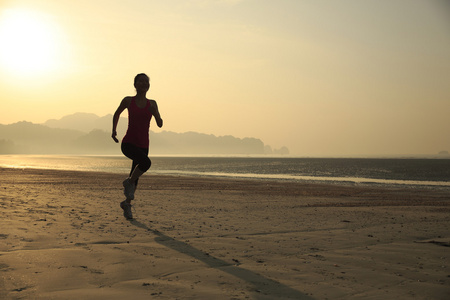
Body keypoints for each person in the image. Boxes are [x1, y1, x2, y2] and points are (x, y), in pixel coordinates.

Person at [112, 73, 163, 219]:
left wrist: (155, 114)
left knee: (135, 177)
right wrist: (114, 131)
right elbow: (116, 114)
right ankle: (128, 183)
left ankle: (127, 204)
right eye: (140, 81)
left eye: (146, 82)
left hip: (143, 144)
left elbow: (160, 124)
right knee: (146, 163)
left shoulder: (152, 103)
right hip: (128, 143)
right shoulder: (128, 100)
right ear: (135, 85)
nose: (143, 84)